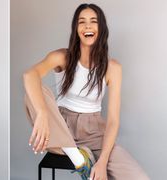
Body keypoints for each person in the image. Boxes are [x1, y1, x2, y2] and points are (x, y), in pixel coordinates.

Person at [23, 3, 149, 180]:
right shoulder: (62, 57)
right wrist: (43, 113)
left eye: (93, 21)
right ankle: (77, 157)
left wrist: (103, 162)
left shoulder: (113, 67)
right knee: (34, 91)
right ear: (76, 29)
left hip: (95, 134)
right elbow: (30, 74)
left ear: (101, 28)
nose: (88, 26)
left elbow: (113, 120)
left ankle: (83, 156)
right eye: (82, 22)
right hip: (59, 129)